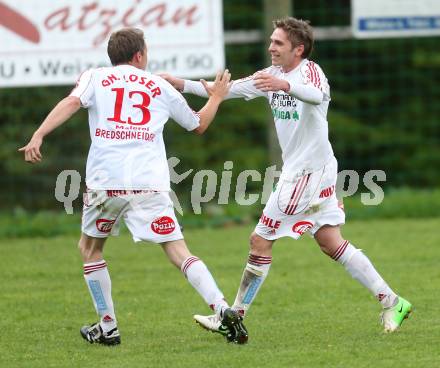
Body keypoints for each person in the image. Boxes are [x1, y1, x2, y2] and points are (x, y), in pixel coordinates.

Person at [162, 17, 412, 342]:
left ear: (299, 49)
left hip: (306, 174)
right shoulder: (271, 75)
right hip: (313, 169)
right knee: (329, 241)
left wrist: (286, 86)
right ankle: (393, 301)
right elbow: (225, 90)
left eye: (278, 43)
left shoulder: (310, 72)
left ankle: (234, 316)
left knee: (259, 240)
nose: (270, 47)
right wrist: (176, 83)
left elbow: (315, 95)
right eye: (271, 41)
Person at [19, 27, 248, 345]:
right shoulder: (158, 85)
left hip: (105, 183)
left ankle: (108, 325)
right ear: (139, 55)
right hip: (148, 184)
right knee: (178, 251)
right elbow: (199, 124)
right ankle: (223, 309)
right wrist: (218, 97)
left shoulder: (95, 77)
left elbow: (71, 103)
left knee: (90, 249)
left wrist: (39, 134)